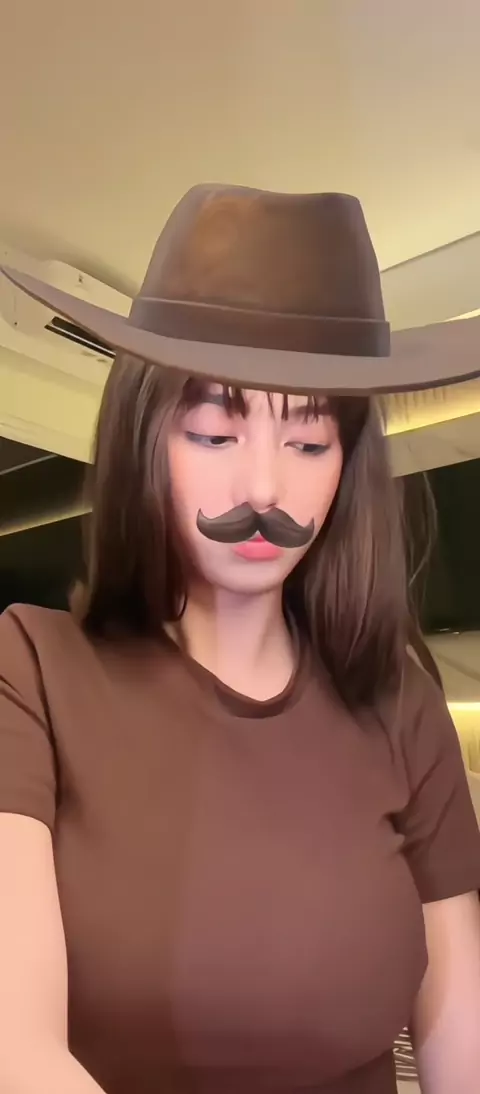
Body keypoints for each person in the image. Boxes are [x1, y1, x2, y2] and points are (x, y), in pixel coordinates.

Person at [0, 184, 479, 1094]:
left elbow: (462, 1032)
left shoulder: (404, 704)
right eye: (217, 432)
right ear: (145, 440)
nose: (264, 488)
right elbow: (15, 1050)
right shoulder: (30, 670)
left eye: (310, 444)